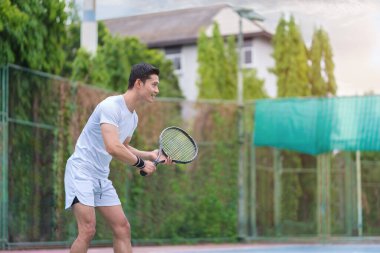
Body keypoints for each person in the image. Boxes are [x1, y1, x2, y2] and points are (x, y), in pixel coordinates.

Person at [64, 63, 172, 253]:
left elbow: (123, 146)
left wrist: (150, 154)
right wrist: (141, 164)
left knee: (122, 228)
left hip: (100, 177)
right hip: (80, 171)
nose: (157, 90)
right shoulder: (110, 106)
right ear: (139, 83)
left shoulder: (133, 117)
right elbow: (112, 147)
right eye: (153, 85)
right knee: (87, 230)